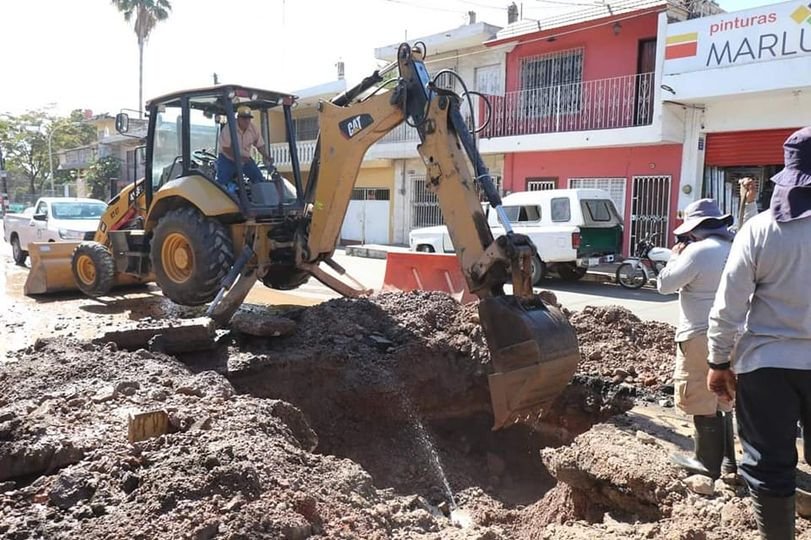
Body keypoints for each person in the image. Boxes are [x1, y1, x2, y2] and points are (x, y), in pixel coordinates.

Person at [707, 127, 811, 540]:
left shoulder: (762, 229)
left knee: (770, 466)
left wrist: (717, 361)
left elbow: (729, 305)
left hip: (766, 366)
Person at [657, 179, 757, 480]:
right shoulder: (738, 246)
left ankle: (706, 463)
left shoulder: (697, 252)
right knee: (724, 396)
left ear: (694, 229)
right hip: (737, 332)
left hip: (701, 334)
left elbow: (664, 285)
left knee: (701, 395)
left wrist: (675, 255)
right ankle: (728, 462)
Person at [216, 105, 274, 188]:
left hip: (245, 159)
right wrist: (239, 158)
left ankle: (260, 198)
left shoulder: (253, 129)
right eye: (244, 118)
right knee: (223, 184)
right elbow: (226, 148)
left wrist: (266, 156)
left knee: (259, 180)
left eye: (248, 118)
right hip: (228, 159)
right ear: (238, 118)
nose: (247, 121)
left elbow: (260, 145)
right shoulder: (229, 128)